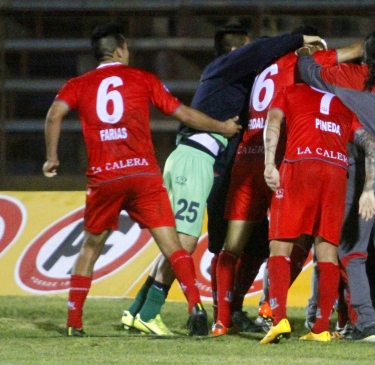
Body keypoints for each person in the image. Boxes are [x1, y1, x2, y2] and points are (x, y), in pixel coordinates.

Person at [120, 25, 322, 335]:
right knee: (184, 243)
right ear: (235, 50)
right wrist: (302, 40)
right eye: (249, 47)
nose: (256, 53)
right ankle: (151, 313)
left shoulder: (230, 78)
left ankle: (136, 310)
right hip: (198, 159)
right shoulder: (225, 66)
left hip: (202, 160)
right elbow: (261, 50)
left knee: (195, 243)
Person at [42, 23, 240, 337]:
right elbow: (184, 114)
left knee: (90, 249)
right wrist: (222, 127)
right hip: (143, 175)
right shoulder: (141, 78)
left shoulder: (78, 84)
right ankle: (195, 307)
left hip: (105, 177)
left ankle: (74, 323)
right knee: (174, 246)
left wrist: (52, 157)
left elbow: (54, 114)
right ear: (120, 50)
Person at [213, 29, 364, 336]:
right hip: (283, 161)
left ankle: (222, 319)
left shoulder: (260, 67)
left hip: (247, 156)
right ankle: (284, 309)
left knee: (235, 245)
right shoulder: (301, 61)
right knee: (305, 238)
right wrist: (318, 47)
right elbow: (356, 49)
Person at [298, 27, 375, 342]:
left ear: (364, 52)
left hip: (357, 175)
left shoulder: (342, 76)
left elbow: (305, 68)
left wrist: (341, 52)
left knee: (353, 253)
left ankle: (366, 323)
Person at [259, 80, 375, 344]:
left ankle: (278, 319)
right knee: (327, 252)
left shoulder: (289, 90)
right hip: (336, 173)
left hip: (301, 165)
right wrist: (368, 189)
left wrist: (269, 163)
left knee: (280, 246)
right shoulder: (342, 105)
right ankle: (321, 328)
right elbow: (371, 144)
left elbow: (273, 120)